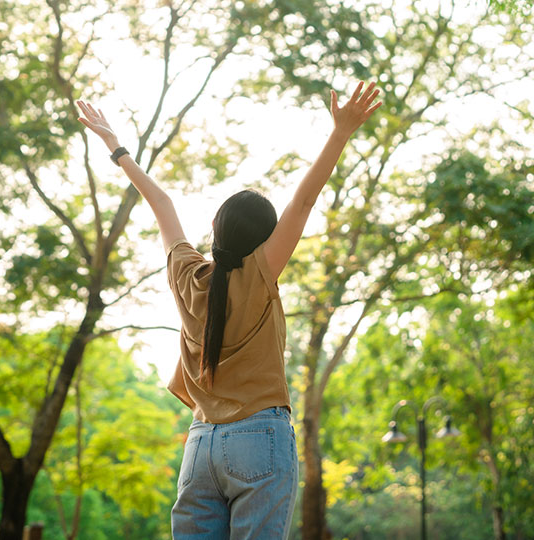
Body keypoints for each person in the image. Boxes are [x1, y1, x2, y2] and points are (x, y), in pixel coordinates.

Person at [77, 80, 381, 540]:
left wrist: (115, 146)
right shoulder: (260, 273)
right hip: (259, 438)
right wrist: (340, 132)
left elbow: (161, 201)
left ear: (215, 226)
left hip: (200, 448)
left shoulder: (187, 274)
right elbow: (304, 201)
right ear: (264, 240)